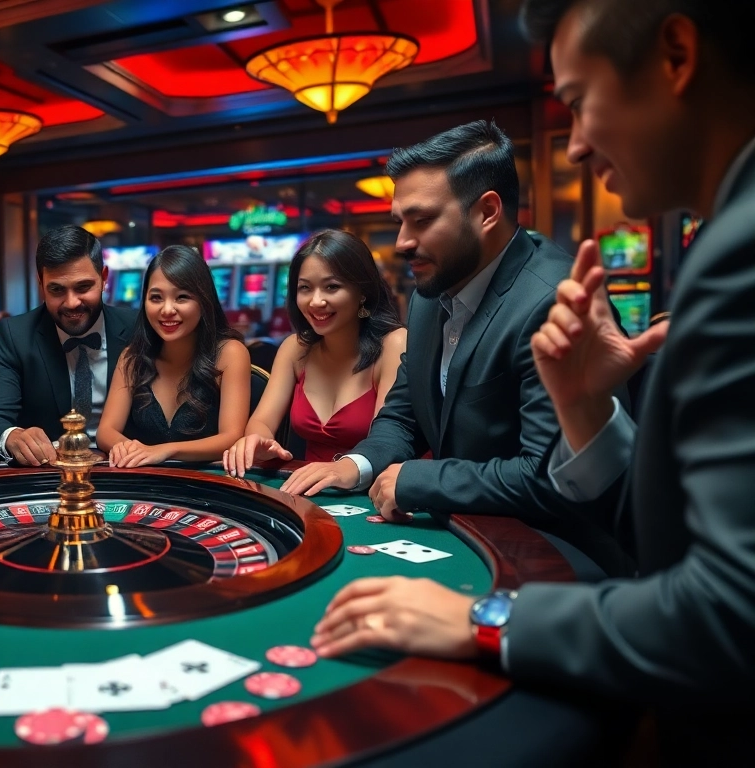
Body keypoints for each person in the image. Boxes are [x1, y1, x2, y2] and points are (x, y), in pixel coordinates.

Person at [312, 0, 755, 759]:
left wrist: (485, 618)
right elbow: (667, 531)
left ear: (676, 56)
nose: (575, 146)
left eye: (580, 103)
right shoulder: (428, 300)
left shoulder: (730, 256)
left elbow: (727, 608)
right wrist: (588, 412)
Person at [282, 120, 628, 577]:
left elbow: (549, 478)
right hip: (463, 528)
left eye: (422, 220)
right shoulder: (431, 294)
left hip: (555, 551)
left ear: (486, 211)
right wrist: (357, 464)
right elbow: (404, 414)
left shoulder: (557, 302)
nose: (403, 241)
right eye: (400, 221)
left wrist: (421, 479)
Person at [223, 230, 406, 474]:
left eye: (332, 287)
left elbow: (387, 443)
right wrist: (259, 440)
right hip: (309, 487)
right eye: (305, 288)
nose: (315, 301)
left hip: (377, 490)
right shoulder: (295, 348)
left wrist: (344, 471)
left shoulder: (393, 345)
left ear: (362, 291)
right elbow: (262, 421)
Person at [0, 226, 138, 464]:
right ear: (41, 283)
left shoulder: (137, 328)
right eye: (57, 290)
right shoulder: (16, 335)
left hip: (128, 473)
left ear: (104, 278)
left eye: (83, 287)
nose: (72, 303)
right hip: (48, 478)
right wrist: (12, 437)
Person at [97, 245, 250, 466]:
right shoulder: (133, 357)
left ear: (203, 301)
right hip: (145, 486)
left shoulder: (230, 354)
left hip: (209, 487)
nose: (167, 309)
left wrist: (164, 451)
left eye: (182, 297)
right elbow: (106, 432)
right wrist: (126, 447)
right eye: (156, 297)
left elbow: (231, 438)